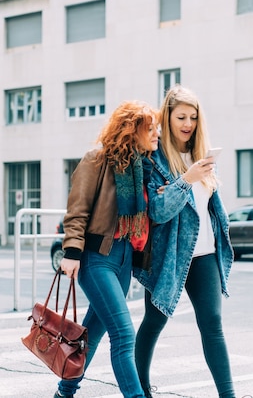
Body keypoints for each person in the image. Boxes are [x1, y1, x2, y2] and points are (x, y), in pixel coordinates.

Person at [134, 85, 237, 398]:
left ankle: (228, 395)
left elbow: (208, 209)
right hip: (171, 255)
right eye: (181, 116)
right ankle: (140, 390)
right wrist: (186, 180)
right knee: (154, 322)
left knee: (213, 323)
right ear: (167, 117)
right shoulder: (155, 161)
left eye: (193, 117)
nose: (188, 123)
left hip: (205, 255)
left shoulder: (200, 155)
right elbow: (159, 212)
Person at [54, 101, 160, 398]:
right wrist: (72, 252)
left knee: (90, 337)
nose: (156, 134)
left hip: (124, 261)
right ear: (131, 130)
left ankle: (64, 392)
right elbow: (77, 211)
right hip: (96, 259)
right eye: (150, 128)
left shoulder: (146, 168)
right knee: (124, 334)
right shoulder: (96, 161)